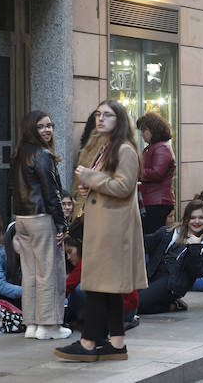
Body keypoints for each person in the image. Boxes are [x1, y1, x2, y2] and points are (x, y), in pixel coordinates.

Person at [56, 100, 148, 362]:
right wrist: (91, 188)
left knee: (97, 286)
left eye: (107, 115)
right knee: (108, 288)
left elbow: (123, 187)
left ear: (118, 120)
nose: (101, 119)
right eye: (98, 114)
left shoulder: (125, 150)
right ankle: (117, 343)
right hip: (105, 227)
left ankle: (88, 343)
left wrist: (90, 178)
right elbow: (109, 185)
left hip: (113, 230)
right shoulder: (106, 147)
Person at [9, 110, 70, 340]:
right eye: (42, 127)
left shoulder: (18, 154)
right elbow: (52, 193)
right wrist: (62, 224)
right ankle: (48, 325)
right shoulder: (43, 155)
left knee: (31, 273)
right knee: (49, 271)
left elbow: (12, 189)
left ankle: (32, 324)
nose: (48, 130)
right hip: (42, 218)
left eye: (50, 125)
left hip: (22, 219)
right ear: (31, 129)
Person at [138, 200, 203, 314]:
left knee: (138, 304)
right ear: (186, 219)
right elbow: (145, 244)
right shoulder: (170, 231)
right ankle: (167, 304)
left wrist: (194, 248)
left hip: (172, 283)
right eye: (193, 218)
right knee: (128, 301)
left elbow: (197, 272)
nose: (197, 221)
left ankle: (172, 306)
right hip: (152, 275)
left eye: (201, 218)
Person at [137, 112, 176, 233]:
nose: (142, 134)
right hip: (152, 201)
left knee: (152, 238)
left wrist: (135, 173)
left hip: (157, 203)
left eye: (144, 131)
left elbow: (157, 173)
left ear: (152, 130)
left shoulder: (161, 147)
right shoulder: (152, 147)